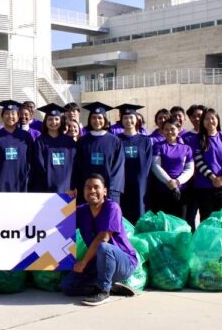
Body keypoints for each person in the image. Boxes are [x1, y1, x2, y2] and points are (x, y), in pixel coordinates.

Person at [61, 174, 138, 306]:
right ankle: (111, 287)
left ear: (105, 191)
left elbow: (104, 237)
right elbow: (59, 219)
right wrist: (66, 201)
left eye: (96, 187)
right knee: (67, 286)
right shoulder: (82, 211)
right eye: (88, 187)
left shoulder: (112, 207)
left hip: (123, 262)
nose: (92, 191)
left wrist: (84, 262)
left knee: (104, 247)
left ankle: (103, 291)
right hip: (98, 262)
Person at [72, 102, 125, 205]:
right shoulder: (83, 141)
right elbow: (77, 166)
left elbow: (118, 167)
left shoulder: (114, 141)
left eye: (100, 118)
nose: (97, 121)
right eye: (94, 118)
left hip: (108, 192)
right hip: (87, 192)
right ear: (89, 120)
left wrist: (111, 190)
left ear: (105, 120)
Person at [193, 108, 222, 221]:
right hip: (204, 187)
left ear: (217, 120)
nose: (210, 121)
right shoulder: (198, 139)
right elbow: (198, 161)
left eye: (212, 118)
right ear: (203, 122)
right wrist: (212, 178)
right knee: (206, 218)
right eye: (206, 119)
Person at [115, 104, 153, 224]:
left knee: (139, 211)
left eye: (131, 117)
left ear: (137, 119)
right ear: (121, 119)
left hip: (140, 184)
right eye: (125, 118)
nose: (128, 121)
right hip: (122, 182)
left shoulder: (145, 140)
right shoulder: (116, 140)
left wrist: (143, 182)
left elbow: (148, 164)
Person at [150, 116, 194, 220]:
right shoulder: (158, 146)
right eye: (166, 129)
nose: (169, 132)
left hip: (181, 191)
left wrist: (178, 182)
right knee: (163, 222)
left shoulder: (186, 148)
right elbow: (156, 166)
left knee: (180, 221)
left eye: (172, 129)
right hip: (162, 190)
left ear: (178, 130)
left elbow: (189, 169)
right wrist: (169, 182)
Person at [32, 103, 77, 195]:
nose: (53, 122)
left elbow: (74, 165)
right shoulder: (40, 142)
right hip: (46, 188)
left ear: (61, 121)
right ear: (45, 121)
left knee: (65, 210)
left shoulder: (69, 142)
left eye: (56, 119)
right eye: (50, 119)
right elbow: (39, 166)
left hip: (67, 189)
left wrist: (73, 186)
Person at [0, 100, 33, 192]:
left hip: (22, 182)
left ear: (18, 116)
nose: (10, 116)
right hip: (1, 183)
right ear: (2, 117)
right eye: (7, 113)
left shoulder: (25, 136)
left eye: (13, 113)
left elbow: (31, 159)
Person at [181, 104, 206, 230]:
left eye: (200, 116)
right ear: (190, 118)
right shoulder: (185, 138)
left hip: (208, 184)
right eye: (194, 116)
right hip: (191, 185)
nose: (197, 119)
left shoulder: (211, 135)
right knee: (190, 216)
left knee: (207, 216)